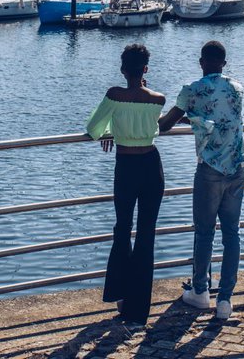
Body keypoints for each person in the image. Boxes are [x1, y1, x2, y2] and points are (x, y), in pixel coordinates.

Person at [158, 40, 244, 320]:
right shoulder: (237, 88)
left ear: (201, 62)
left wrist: (184, 118)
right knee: (232, 233)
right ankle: (225, 300)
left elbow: (164, 124)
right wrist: (194, 119)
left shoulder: (191, 90)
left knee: (204, 231)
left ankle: (200, 291)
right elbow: (221, 116)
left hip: (209, 169)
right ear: (224, 63)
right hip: (236, 167)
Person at [85, 43, 167, 327]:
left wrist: (109, 130)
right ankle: (139, 310)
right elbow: (155, 127)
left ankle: (121, 297)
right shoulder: (158, 99)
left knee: (122, 230)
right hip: (151, 166)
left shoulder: (114, 95)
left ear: (122, 70)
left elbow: (93, 128)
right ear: (145, 69)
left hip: (126, 166)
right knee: (146, 235)